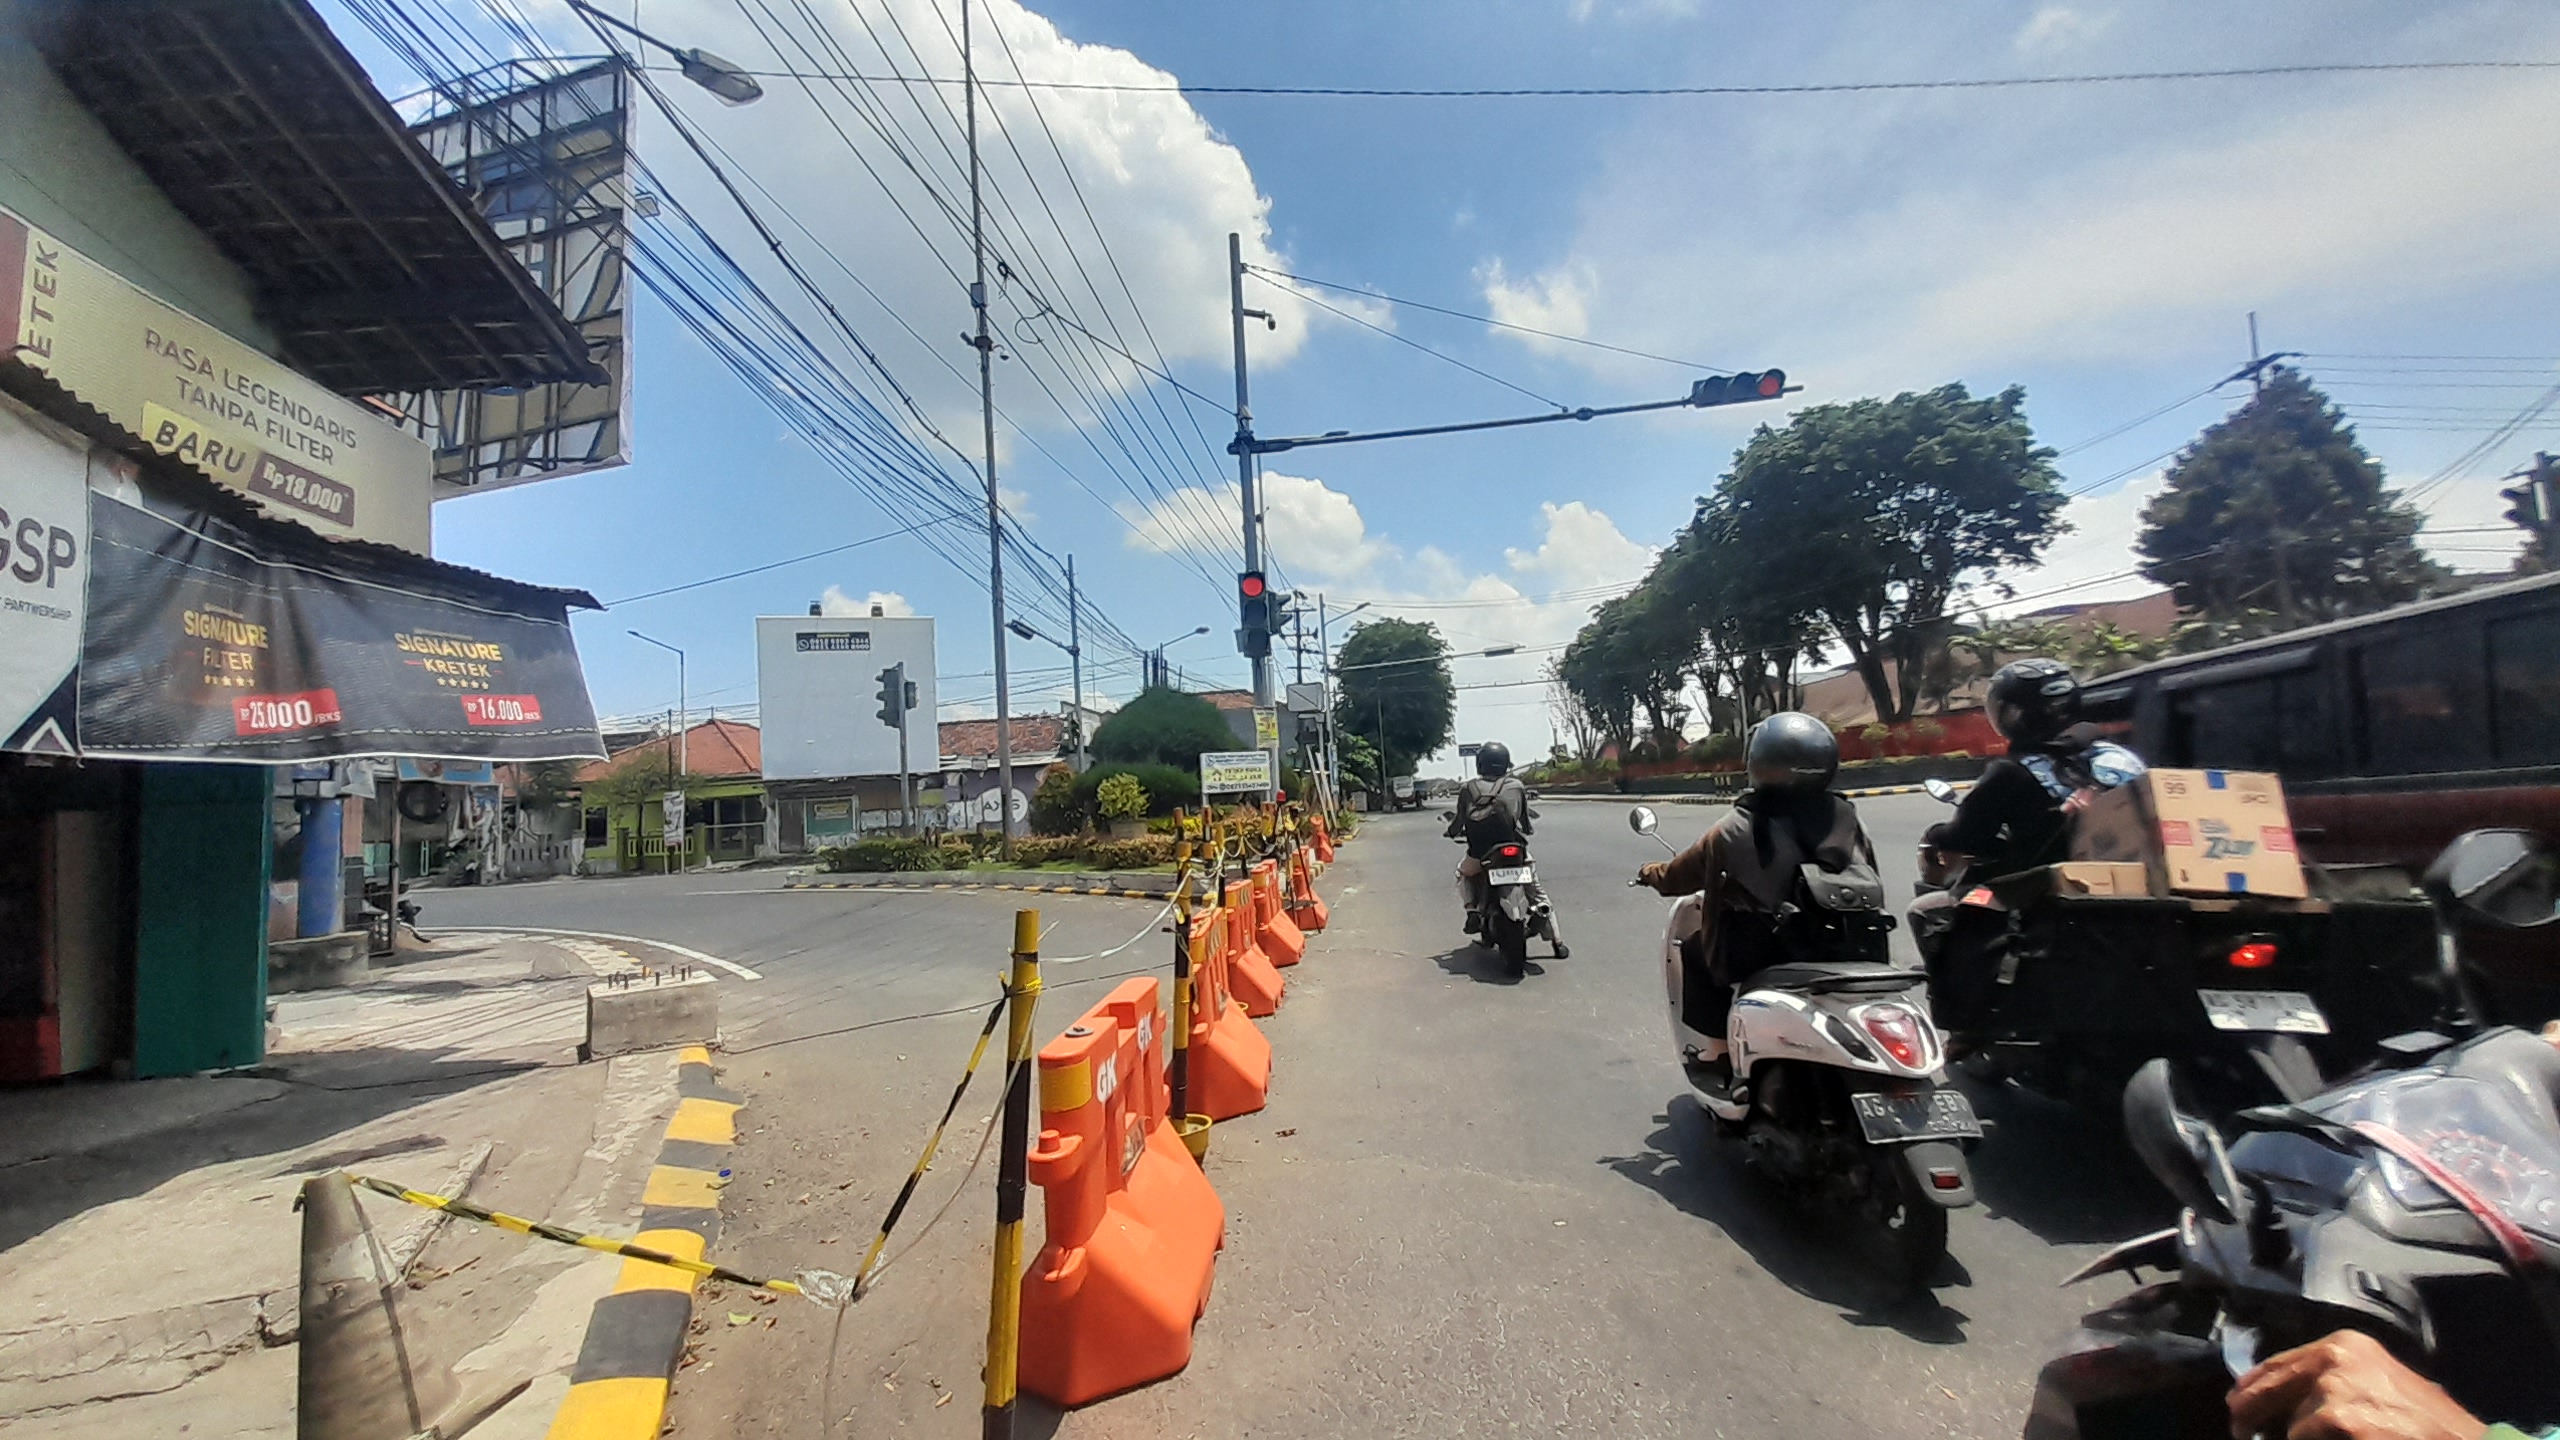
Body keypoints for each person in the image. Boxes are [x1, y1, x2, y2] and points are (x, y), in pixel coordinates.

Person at [1635, 713, 1884, 1054]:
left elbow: (1676, 877)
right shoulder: (1849, 818)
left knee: (1693, 952)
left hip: (1771, 952)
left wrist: (1650, 872)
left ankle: (1718, 1054)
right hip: (1851, 944)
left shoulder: (1735, 826)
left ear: (1760, 763)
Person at [1446, 741, 1537, 933]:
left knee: (1463, 873)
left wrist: (1452, 832)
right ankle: (1541, 910)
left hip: (1480, 852)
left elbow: (1459, 820)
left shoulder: (1468, 788)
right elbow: (1525, 822)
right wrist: (1527, 830)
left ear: (1480, 764)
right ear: (1506, 763)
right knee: (1532, 879)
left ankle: (1471, 911)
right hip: (1513, 848)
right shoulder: (1517, 785)